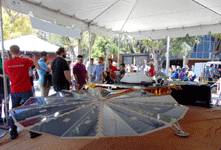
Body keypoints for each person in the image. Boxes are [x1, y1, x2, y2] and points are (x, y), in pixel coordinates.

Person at [4, 45, 41, 139]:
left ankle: (13, 132)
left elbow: (8, 74)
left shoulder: (6, 63)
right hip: (26, 89)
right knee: (30, 110)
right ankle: (32, 132)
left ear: (10, 52)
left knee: (14, 111)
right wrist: (28, 57)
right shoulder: (25, 61)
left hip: (14, 90)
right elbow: (37, 66)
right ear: (19, 51)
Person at [0, 52, 10, 123]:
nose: (6, 57)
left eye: (7, 56)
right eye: (5, 56)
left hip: (6, 85)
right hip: (1, 86)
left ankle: (7, 116)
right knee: (1, 102)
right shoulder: (1, 64)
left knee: (6, 102)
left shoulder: (8, 64)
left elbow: (9, 75)